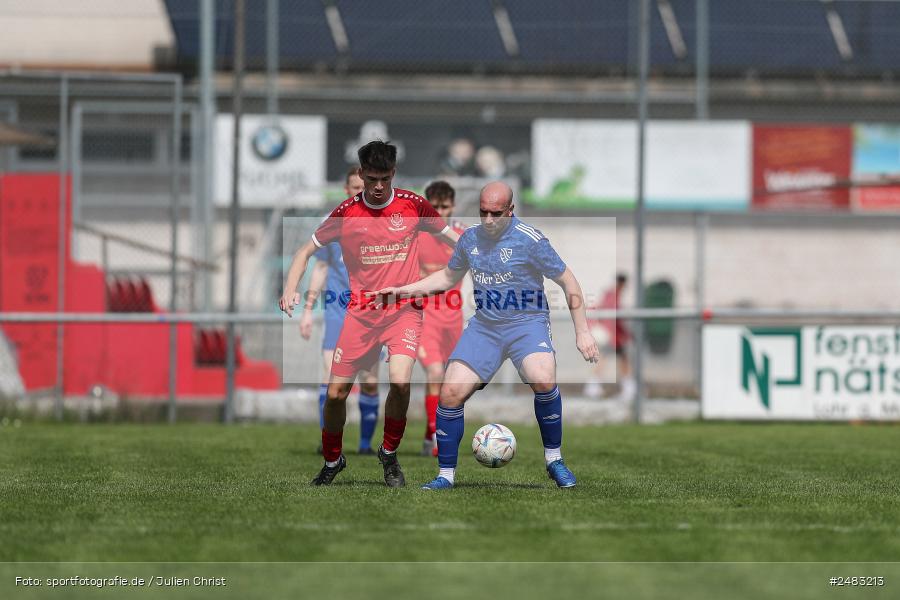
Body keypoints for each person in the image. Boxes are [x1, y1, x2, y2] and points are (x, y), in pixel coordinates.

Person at [371, 182, 599, 490]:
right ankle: (445, 476)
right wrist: (401, 292)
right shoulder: (469, 239)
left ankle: (554, 461)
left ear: (510, 210)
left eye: (496, 214)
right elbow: (447, 277)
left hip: (527, 324)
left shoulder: (530, 240)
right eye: (483, 213)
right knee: (449, 392)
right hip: (486, 327)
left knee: (542, 377)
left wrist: (582, 332)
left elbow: (568, 281)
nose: (488, 220)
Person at [280, 140, 460, 487]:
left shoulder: (413, 206)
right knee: (336, 395)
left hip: (404, 310)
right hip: (361, 316)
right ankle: (333, 459)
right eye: (372, 178)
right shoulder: (346, 213)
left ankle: (389, 455)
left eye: (385, 179)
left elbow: (456, 239)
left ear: (394, 174)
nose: (379, 187)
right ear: (361, 174)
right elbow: (305, 251)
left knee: (401, 381)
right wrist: (290, 288)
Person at [299, 168, 380, 456]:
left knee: (370, 383)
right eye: (354, 187)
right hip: (337, 311)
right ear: (346, 190)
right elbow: (320, 267)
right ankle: (328, 441)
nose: (360, 192)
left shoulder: (383, 222)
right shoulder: (332, 222)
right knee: (331, 379)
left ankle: (365, 445)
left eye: (364, 187)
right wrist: (308, 310)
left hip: (371, 314)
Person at [416, 181, 467, 457]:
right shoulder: (415, 236)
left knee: (451, 383)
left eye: (444, 207)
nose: (439, 212)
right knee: (435, 373)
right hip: (425, 318)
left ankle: (429, 432)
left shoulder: (462, 236)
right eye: (433, 207)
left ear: (453, 207)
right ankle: (437, 438)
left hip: (454, 319)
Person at [584, 273, 634, 401]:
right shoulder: (613, 295)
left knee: (621, 359)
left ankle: (627, 388)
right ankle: (594, 386)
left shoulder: (611, 294)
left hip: (614, 335)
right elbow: (615, 317)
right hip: (614, 336)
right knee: (609, 359)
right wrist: (625, 332)